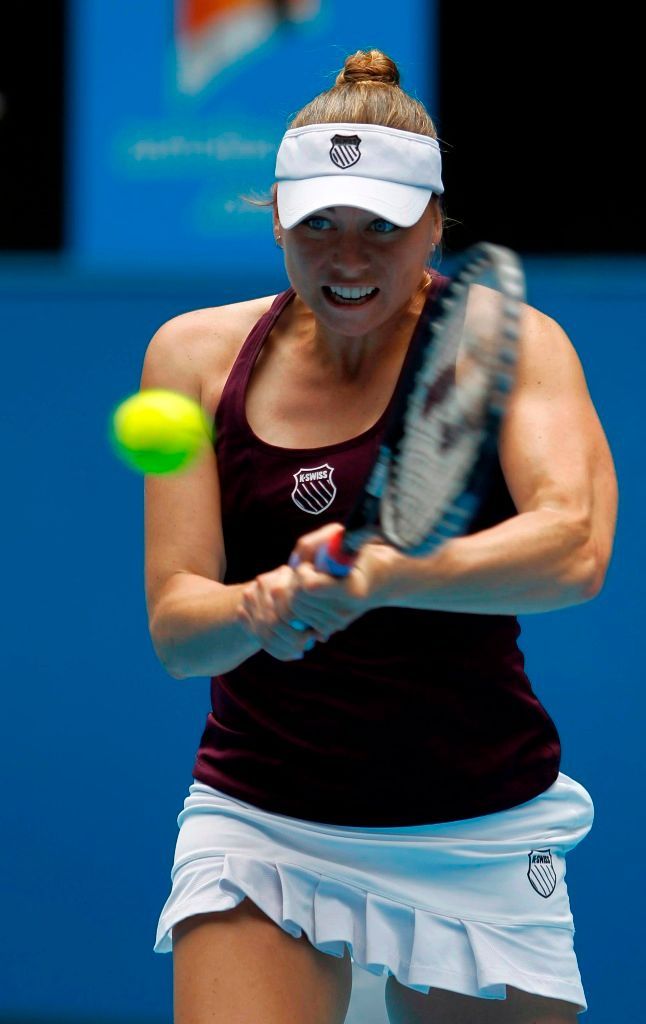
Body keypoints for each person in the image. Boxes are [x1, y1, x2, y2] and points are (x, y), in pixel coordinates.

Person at [146, 49, 617, 1024]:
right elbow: (178, 629)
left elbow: (572, 550)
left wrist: (380, 577)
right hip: (260, 822)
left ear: (435, 225)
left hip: (475, 826)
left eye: (380, 228)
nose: (347, 258)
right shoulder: (189, 355)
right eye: (317, 224)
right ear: (275, 215)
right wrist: (259, 604)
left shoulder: (511, 341)